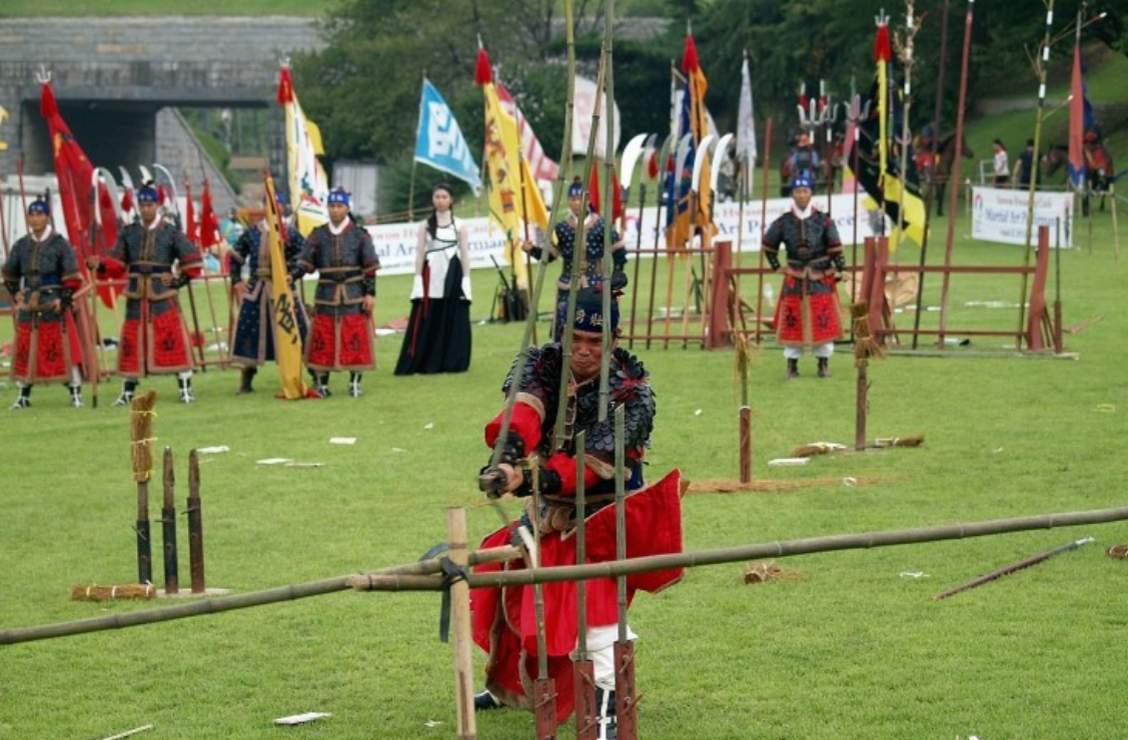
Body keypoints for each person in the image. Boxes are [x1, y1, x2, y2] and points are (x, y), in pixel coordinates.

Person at [471, 287, 683, 740]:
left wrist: (527, 479)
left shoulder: (633, 395)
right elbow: (523, 413)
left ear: (614, 340)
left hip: (603, 521)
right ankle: (512, 686)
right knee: (512, 593)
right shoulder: (542, 364)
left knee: (596, 616)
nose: (583, 351)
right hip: (547, 514)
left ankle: (608, 712)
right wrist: (505, 459)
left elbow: (591, 466)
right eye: (576, 339)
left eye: (595, 341)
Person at [89, 184, 203, 405]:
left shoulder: (171, 232)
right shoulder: (129, 232)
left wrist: (178, 281)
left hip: (162, 294)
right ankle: (127, 392)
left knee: (173, 338)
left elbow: (193, 260)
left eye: (150, 205)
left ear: (157, 205)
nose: (146, 209)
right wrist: (100, 264)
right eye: (142, 205)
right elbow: (117, 263)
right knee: (132, 341)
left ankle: (185, 388)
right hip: (136, 294)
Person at [290, 187, 380, 398]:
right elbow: (304, 262)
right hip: (326, 294)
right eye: (332, 206)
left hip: (354, 293)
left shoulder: (360, 235)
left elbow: (370, 267)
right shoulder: (317, 235)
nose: (335, 210)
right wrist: (291, 275)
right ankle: (322, 383)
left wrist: (370, 293)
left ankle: (355, 382)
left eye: (339, 206)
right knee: (323, 337)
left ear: (347, 208)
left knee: (355, 336)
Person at [2, 198, 88, 409]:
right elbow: (9, 273)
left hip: (53, 303)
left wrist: (64, 300)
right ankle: (23, 396)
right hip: (29, 305)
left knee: (65, 349)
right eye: (31, 215)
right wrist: (16, 293)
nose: (35, 219)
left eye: (39, 215)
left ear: (48, 217)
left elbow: (72, 277)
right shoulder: (21, 245)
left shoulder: (60, 244)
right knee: (25, 351)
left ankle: (76, 393)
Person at [762, 172, 847, 379]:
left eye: (805, 191)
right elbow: (769, 245)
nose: (802, 195)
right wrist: (777, 267)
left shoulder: (823, 220)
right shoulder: (783, 222)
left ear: (810, 193)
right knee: (793, 321)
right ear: (793, 194)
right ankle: (792, 365)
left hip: (821, 277)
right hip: (795, 278)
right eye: (798, 191)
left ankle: (823, 364)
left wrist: (842, 269)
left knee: (823, 320)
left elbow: (835, 247)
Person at [523, 180, 626, 341]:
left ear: (588, 200)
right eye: (573, 199)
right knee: (565, 322)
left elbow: (618, 250)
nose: (576, 203)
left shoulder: (602, 225)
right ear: (568, 201)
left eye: (580, 199)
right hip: (568, 283)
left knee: (595, 321)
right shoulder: (561, 227)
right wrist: (532, 250)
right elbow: (550, 255)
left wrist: (617, 274)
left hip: (596, 282)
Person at [228, 194, 309, 394]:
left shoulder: (290, 233)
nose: (273, 208)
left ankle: (313, 374)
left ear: (282, 207)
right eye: (268, 204)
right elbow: (236, 256)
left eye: (276, 204)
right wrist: (237, 280)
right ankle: (246, 379)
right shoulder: (252, 233)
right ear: (263, 206)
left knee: (298, 329)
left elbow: (305, 258)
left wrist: (292, 274)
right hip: (256, 289)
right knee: (248, 331)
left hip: (284, 289)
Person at [394, 182, 472, 375]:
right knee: (430, 315)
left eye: (444, 197)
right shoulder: (425, 226)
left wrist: (466, 280)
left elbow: (465, 253)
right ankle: (427, 359)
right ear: (432, 199)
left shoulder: (459, 225)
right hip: (431, 274)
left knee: (450, 315)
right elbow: (420, 253)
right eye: (437, 197)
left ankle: (450, 360)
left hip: (452, 273)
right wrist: (417, 279)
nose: (440, 201)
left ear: (451, 200)